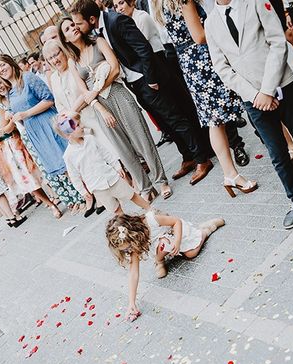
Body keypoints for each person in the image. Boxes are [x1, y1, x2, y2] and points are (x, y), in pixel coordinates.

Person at [205, 0, 293, 228]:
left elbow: (277, 43)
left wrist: (267, 90)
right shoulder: (211, 23)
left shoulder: (255, 2)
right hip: (251, 97)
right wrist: (255, 95)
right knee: (276, 153)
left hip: (281, 84)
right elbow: (222, 67)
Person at [70, 0, 213, 185]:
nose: (77, 28)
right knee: (165, 123)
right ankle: (188, 157)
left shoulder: (116, 21)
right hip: (134, 82)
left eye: (79, 24)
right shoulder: (98, 32)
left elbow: (143, 48)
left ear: (91, 19)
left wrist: (151, 79)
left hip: (148, 80)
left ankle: (202, 159)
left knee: (175, 119)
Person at [150, 0, 258, 197]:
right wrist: (224, 31)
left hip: (189, 61)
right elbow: (199, 35)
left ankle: (230, 174)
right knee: (239, 100)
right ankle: (285, 148)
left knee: (214, 120)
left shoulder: (161, 3)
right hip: (203, 59)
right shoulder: (183, 1)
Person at [56, 19, 173, 199]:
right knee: (123, 149)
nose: (73, 28)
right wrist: (100, 108)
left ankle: (161, 180)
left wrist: (95, 90)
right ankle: (146, 188)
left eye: (73, 25)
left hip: (118, 94)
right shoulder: (73, 62)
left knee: (142, 139)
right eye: (68, 29)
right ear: (65, 39)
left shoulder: (98, 42)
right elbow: (84, 92)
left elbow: (115, 69)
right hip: (99, 106)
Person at [0, 54, 86, 212]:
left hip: (48, 124)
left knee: (70, 158)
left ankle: (91, 193)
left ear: (10, 63)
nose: (1, 70)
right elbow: (18, 117)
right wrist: (14, 118)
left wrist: (25, 114)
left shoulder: (28, 78)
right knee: (60, 167)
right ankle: (83, 196)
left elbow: (49, 99)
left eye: (2, 65)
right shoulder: (10, 93)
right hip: (34, 132)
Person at [106, 211, 225, 321]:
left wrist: (177, 242)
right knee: (164, 245)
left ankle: (205, 229)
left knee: (191, 254)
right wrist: (131, 302)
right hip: (164, 245)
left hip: (177, 234)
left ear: (133, 234)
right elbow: (133, 273)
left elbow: (176, 221)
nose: (128, 250)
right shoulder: (133, 246)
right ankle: (160, 261)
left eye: (128, 247)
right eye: (125, 249)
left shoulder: (150, 220)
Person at [0, 85, 62, 219]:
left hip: (19, 142)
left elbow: (13, 125)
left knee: (39, 172)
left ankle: (58, 194)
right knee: (26, 180)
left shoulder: (2, 107)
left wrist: (2, 131)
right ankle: (51, 205)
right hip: (7, 152)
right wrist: (0, 133)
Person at [55, 111, 150, 214]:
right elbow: (74, 176)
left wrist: (117, 166)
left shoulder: (90, 139)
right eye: (78, 125)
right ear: (68, 135)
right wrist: (83, 191)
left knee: (132, 195)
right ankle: (126, 225)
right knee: (116, 209)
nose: (82, 126)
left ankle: (151, 210)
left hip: (111, 177)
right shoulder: (69, 155)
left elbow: (106, 154)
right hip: (97, 187)